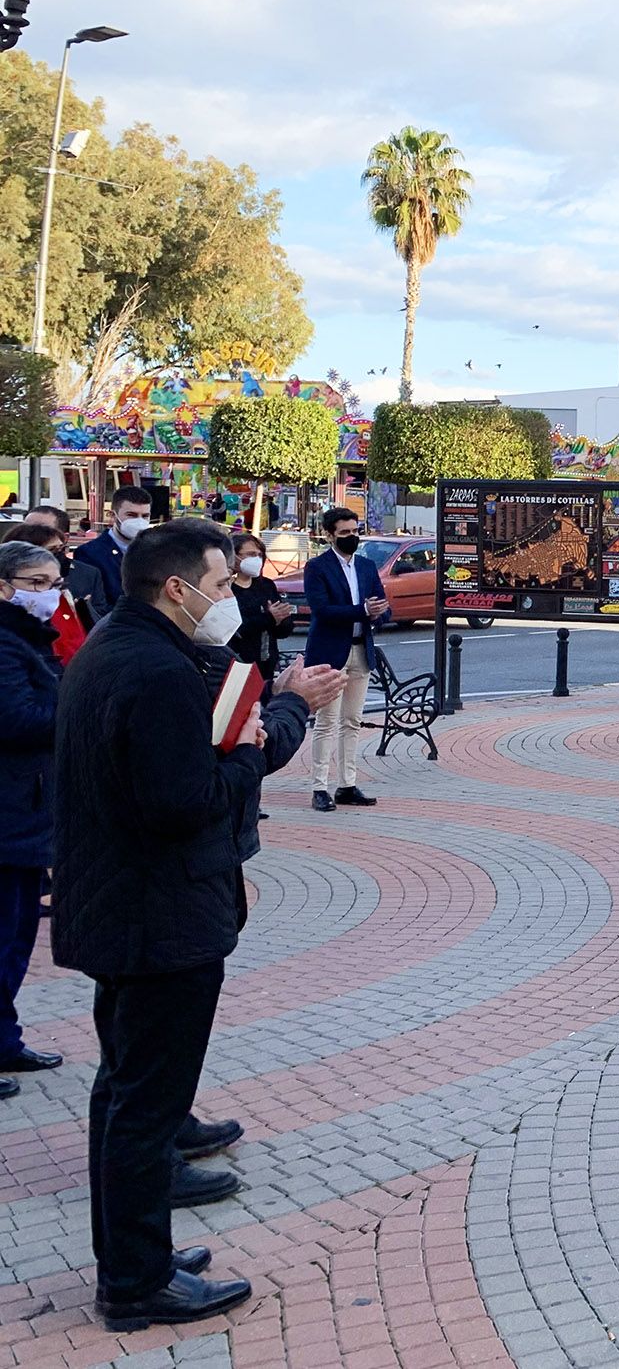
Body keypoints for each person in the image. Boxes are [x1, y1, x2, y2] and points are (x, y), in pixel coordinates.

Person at [52, 519, 342, 1331]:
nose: (230, 600)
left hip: (130, 905)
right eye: (220, 587)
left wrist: (251, 727)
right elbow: (184, 804)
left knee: (126, 1091)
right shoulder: (154, 670)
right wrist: (257, 737)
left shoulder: (120, 645)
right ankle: (136, 1285)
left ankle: (136, 1255)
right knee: (145, 1104)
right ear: (175, 588)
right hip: (158, 914)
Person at [0, 541, 64, 1100]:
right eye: (36, 583)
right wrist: (74, 704)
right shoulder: (4, 642)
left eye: (54, 582)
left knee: (18, 935)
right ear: (4, 586)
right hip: (8, 812)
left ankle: (5, 1038)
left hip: (26, 811)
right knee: (2, 937)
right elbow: (17, 719)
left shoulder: (27, 639)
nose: (48, 594)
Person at [302, 508, 391, 811]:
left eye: (355, 532)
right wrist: (363, 611)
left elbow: (380, 605)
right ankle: (319, 787)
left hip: (360, 650)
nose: (352, 537)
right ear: (329, 535)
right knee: (327, 721)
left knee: (352, 721)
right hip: (329, 653)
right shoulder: (317, 567)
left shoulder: (366, 566)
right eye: (344, 533)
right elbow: (322, 609)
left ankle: (347, 785)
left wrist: (379, 613)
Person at [73, 485, 154, 623]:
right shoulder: (90, 553)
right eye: (131, 515)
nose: (139, 521)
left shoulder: (156, 551)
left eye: (145, 516)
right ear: (112, 515)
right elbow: (94, 606)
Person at [227, 533, 295, 677]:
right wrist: (268, 618)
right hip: (237, 664)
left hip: (267, 664)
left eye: (259, 555)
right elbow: (235, 628)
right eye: (251, 554)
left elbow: (283, 629)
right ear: (234, 556)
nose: (256, 559)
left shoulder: (266, 585)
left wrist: (281, 620)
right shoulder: (226, 588)